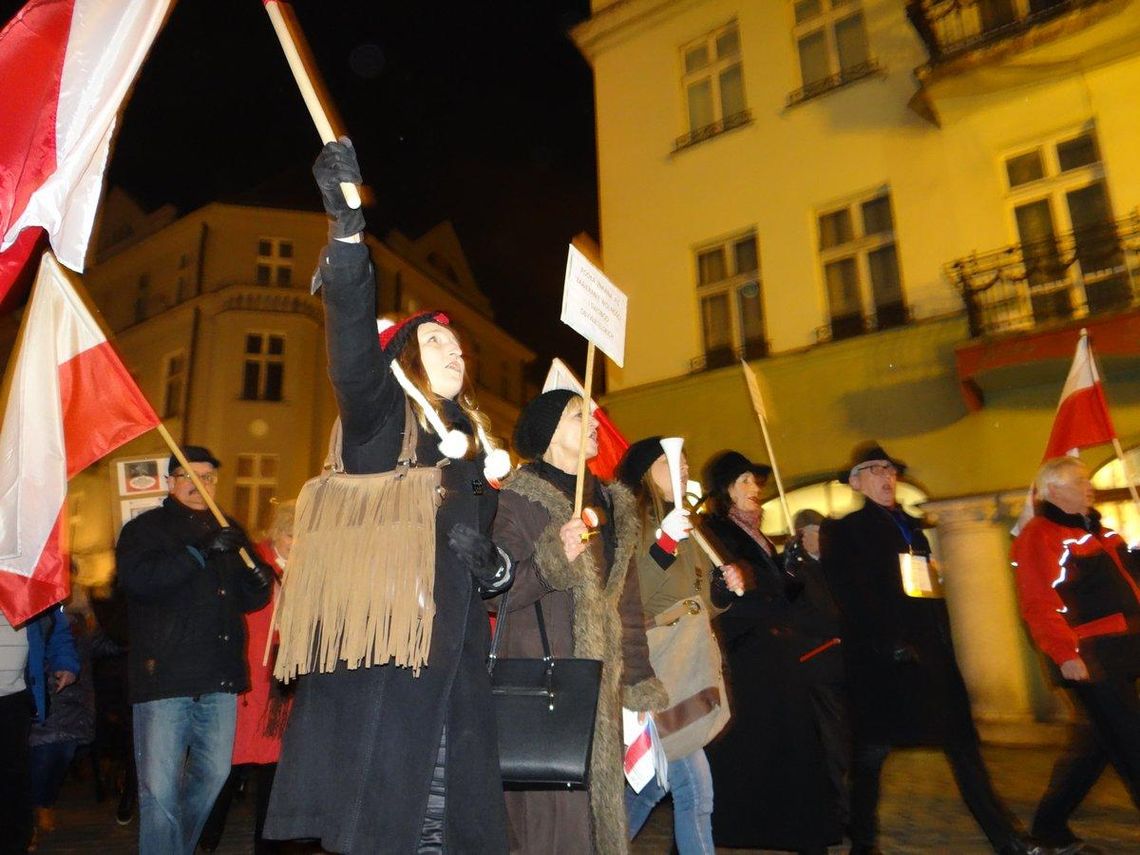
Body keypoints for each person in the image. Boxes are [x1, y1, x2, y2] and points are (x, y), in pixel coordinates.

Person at [265, 139, 513, 854]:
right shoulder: (382, 421)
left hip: (454, 672)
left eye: (459, 347)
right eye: (436, 344)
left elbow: (487, 561)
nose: (454, 352)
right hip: (387, 667)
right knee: (394, 824)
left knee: (441, 823)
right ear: (405, 357)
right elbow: (349, 342)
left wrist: (496, 571)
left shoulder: (470, 448)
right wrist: (347, 234)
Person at [820, 441, 1044, 855]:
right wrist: (888, 643)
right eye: (874, 470)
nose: (887, 477)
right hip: (883, 665)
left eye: (890, 470)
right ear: (856, 482)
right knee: (870, 757)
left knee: (962, 747)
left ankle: (1009, 840)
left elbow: (925, 592)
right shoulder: (846, 531)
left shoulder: (911, 528)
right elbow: (850, 598)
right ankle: (863, 845)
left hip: (931, 659)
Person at [492, 390, 668, 854]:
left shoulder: (613, 505)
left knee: (598, 819)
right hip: (545, 681)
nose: (593, 421)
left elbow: (626, 605)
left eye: (592, 413)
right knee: (551, 825)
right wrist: (555, 557)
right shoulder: (516, 500)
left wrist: (637, 683)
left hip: (601, 687)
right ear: (549, 435)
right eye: (578, 414)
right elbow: (496, 592)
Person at [116, 445, 272, 855]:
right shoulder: (144, 529)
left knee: (213, 777)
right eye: (189, 476)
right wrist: (200, 552)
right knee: (160, 789)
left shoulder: (227, 526)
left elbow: (244, 598)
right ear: (170, 481)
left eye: (207, 477)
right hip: (164, 677)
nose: (199, 484)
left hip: (219, 677)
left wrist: (258, 583)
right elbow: (142, 582)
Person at [700, 450, 839, 854]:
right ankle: (726, 828)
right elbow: (729, 584)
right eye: (744, 481)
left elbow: (784, 591)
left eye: (756, 482)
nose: (754, 489)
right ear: (724, 490)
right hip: (747, 655)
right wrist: (764, 580)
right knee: (750, 746)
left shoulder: (759, 533)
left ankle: (802, 832)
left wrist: (792, 566)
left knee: (794, 740)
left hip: (779, 652)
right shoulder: (716, 530)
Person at [616, 437, 744, 854]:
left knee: (654, 787)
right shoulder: (629, 524)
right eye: (669, 463)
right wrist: (663, 545)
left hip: (686, 666)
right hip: (654, 667)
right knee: (694, 792)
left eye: (686, 463)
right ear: (643, 476)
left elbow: (696, 603)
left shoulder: (688, 525)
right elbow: (632, 599)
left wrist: (722, 594)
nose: (683, 469)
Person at [1012, 456, 1140, 854]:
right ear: (1053, 490)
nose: (1090, 486)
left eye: (1088, 480)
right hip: (1088, 655)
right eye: (1079, 481)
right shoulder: (1041, 536)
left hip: (1123, 649)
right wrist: (1064, 653)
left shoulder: (1099, 533)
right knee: (1131, 738)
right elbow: (1038, 602)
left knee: (1097, 744)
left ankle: (1048, 829)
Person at [199, 500, 297, 853]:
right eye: (289, 533)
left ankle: (268, 844)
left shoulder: (311, 569)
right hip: (249, 675)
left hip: (285, 681)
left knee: (276, 771)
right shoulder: (252, 561)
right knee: (228, 765)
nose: (295, 541)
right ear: (275, 532)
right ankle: (205, 838)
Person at [785, 507, 851, 833]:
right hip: (817, 663)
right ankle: (840, 812)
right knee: (832, 743)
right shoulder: (797, 572)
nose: (823, 538)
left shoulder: (832, 568)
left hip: (840, 664)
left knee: (843, 740)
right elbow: (795, 615)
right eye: (817, 531)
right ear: (803, 535)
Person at [1, 603, 79, 854]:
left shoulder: (26, 576)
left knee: (14, 776)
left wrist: (65, 661)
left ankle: (15, 843)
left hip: (15, 694)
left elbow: (56, 625)